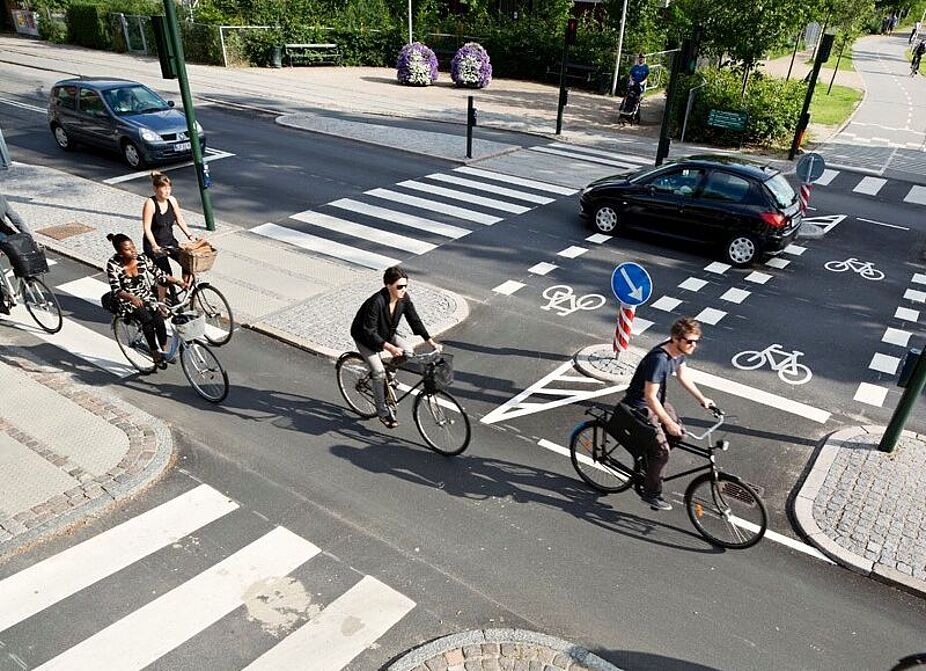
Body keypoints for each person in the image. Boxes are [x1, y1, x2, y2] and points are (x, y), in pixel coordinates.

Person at [619, 317, 714, 511]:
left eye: (696, 341)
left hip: (657, 402)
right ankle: (651, 494)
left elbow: (683, 375)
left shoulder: (678, 353)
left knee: (679, 435)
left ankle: (649, 462)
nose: (693, 345)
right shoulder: (658, 360)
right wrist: (668, 422)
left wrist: (702, 399)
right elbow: (650, 397)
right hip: (640, 405)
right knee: (661, 451)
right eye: (689, 341)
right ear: (675, 339)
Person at [350, 266, 441, 429]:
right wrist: (390, 348)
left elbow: (414, 320)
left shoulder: (403, 299)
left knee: (407, 352)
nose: (403, 290)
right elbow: (368, 331)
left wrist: (431, 342)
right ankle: (383, 412)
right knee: (378, 372)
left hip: (386, 333)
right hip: (365, 337)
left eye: (405, 286)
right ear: (388, 286)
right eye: (400, 286)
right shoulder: (376, 302)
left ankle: (389, 377)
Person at [106, 232, 184, 369]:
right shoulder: (113, 264)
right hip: (127, 300)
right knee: (147, 320)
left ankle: (164, 351)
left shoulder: (141, 259)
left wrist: (178, 282)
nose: (133, 251)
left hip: (146, 295)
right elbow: (116, 290)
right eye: (128, 249)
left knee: (159, 319)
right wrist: (132, 297)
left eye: (133, 247)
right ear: (120, 253)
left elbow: (159, 274)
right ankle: (155, 353)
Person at [141, 171, 197, 300]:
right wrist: (154, 246)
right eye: (164, 188)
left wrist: (190, 235)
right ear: (155, 189)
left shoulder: (172, 200)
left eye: (169, 188)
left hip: (170, 241)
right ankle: (161, 303)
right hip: (154, 244)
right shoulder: (150, 203)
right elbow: (146, 228)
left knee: (187, 262)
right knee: (166, 274)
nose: (168, 191)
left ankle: (185, 289)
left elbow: (179, 219)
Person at [0, 194, 34, 314]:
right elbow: (15, 219)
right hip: (4, 234)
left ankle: (25, 275)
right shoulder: (1, 198)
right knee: (17, 250)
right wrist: (27, 235)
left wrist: (27, 236)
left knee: (15, 251)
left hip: (3, 235)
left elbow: (15, 219)